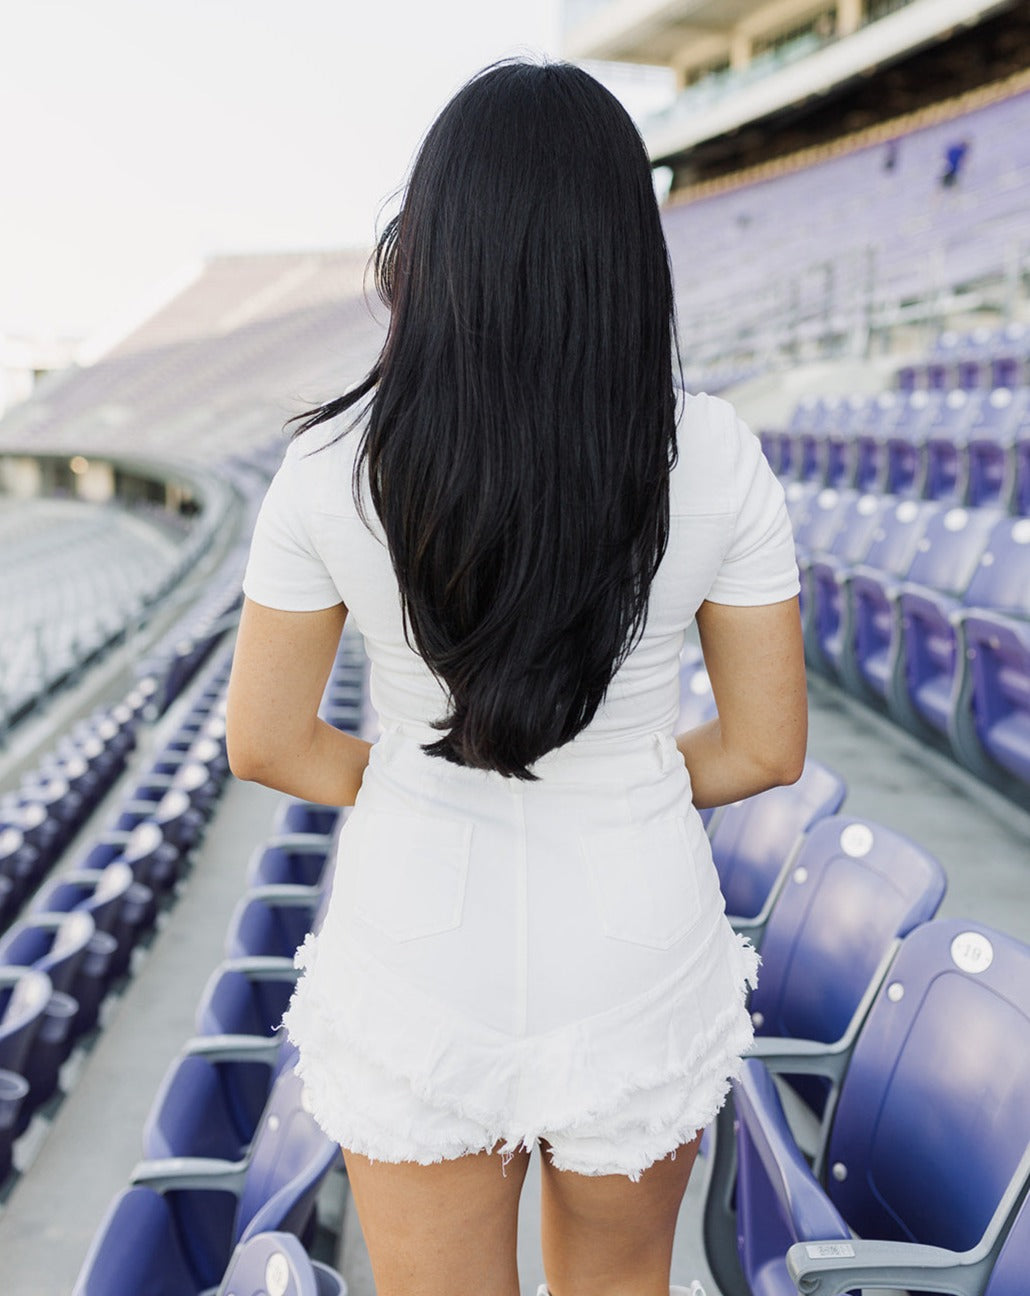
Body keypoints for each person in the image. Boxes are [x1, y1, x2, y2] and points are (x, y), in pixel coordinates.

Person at [227, 58, 807, 1296]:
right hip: (637, 928)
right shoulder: (712, 450)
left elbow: (269, 742)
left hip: (416, 933)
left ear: (432, 237)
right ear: (626, 247)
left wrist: (413, 779)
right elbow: (764, 748)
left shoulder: (330, 461)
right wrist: (627, 774)